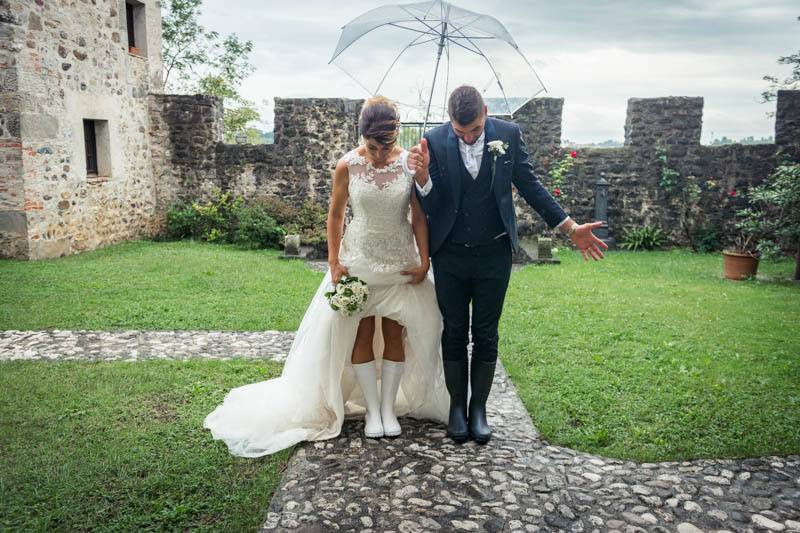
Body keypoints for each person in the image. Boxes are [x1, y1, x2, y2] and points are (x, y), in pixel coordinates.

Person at [203, 96, 449, 457]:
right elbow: (335, 216)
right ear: (362, 135)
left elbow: (419, 216)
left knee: (396, 331)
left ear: (396, 135)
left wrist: (424, 261)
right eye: (372, 147)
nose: (380, 155)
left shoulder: (407, 165)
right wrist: (334, 264)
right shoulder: (346, 166)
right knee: (362, 330)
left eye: (386, 146)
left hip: (400, 259)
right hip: (359, 258)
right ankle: (370, 411)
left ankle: (386, 408)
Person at [407, 85, 608, 445]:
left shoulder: (509, 135)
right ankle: (457, 408)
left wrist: (570, 227)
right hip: (450, 254)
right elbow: (435, 205)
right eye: (460, 132)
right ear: (449, 121)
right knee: (453, 331)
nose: (468, 138)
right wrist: (422, 179)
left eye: (475, 131)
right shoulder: (432, 141)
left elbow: (530, 186)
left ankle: (479, 409)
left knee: (486, 332)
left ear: (485, 111)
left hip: (494, 254)